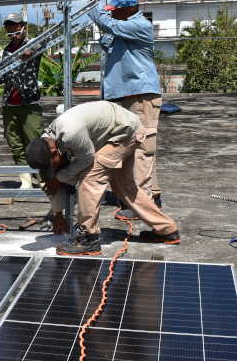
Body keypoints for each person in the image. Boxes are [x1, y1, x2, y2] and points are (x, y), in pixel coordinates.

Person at [24, 101, 180, 256]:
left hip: (124, 132)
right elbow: (56, 177)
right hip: (119, 130)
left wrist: (59, 179)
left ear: (53, 152)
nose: (52, 169)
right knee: (124, 186)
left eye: (51, 165)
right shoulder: (45, 142)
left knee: (90, 179)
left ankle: (89, 238)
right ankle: (167, 229)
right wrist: (58, 214)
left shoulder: (70, 133)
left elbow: (86, 160)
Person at [87, 0, 163, 219]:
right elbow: (107, 40)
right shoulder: (125, 27)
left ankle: (142, 203)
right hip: (131, 96)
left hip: (142, 96)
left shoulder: (139, 25)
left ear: (128, 9)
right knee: (139, 148)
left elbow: (105, 22)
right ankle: (152, 196)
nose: (112, 13)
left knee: (142, 150)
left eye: (115, 10)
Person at [0, 12, 43, 189]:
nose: (14, 37)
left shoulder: (33, 44)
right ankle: (25, 179)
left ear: (24, 29)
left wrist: (31, 48)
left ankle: (42, 177)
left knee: (35, 141)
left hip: (29, 103)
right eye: (10, 34)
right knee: (15, 143)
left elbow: (47, 39)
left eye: (17, 33)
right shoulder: (5, 52)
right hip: (10, 105)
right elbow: (1, 79)